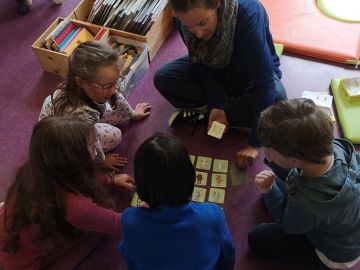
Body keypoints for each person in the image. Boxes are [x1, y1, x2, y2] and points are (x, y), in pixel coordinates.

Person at [154, 0, 287, 169]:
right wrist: (217, 103)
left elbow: (264, 82)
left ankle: (204, 115)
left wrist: (255, 143)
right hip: (215, 69)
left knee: (277, 99)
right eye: (189, 28)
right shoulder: (185, 20)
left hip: (248, 73)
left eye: (202, 23)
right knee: (164, 78)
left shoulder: (247, 14)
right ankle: (228, 112)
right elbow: (200, 61)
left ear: (217, 3)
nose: (199, 34)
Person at [0, 117, 135, 269]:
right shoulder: (76, 206)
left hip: (10, 229)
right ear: (73, 161)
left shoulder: (35, 172)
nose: (96, 154)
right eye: (91, 148)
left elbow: (73, 185)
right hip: (19, 262)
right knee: (91, 241)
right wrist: (148, 208)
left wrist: (110, 180)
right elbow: (120, 224)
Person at [248, 99, 360, 269]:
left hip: (334, 254)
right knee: (277, 184)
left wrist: (270, 192)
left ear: (294, 160)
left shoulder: (307, 204)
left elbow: (288, 225)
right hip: (343, 221)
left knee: (257, 238)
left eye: (268, 151)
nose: (266, 156)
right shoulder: (336, 147)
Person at [119, 132, 235, 269]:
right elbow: (228, 255)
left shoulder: (129, 219)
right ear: (189, 175)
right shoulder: (213, 214)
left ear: (140, 182)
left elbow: (130, 259)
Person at [39, 40, 151, 170]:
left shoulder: (92, 85)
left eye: (117, 80)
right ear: (80, 82)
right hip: (65, 140)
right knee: (115, 136)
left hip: (81, 116)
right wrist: (101, 161)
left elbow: (116, 96)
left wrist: (132, 114)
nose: (114, 89)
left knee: (121, 113)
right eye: (108, 85)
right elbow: (90, 143)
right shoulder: (82, 115)